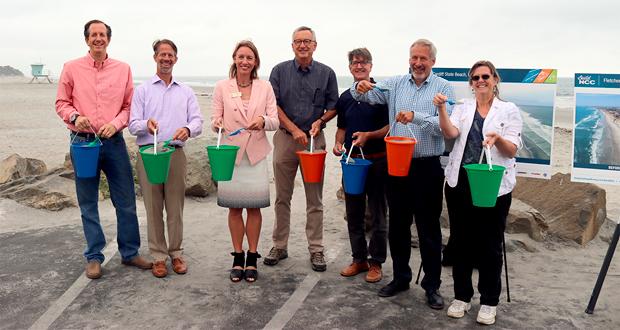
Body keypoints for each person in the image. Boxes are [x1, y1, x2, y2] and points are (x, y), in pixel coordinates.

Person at [351, 39, 454, 308]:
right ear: (409, 59)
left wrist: (416, 116)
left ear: (433, 61)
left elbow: (444, 126)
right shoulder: (395, 83)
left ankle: (432, 286)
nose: (417, 63)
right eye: (414, 58)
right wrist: (359, 86)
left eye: (423, 58)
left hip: (428, 166)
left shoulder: (443, 87)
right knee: (398, 226)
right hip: (397, 165)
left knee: (429, 229)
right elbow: (368, 94)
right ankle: (401, 278)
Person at [55, 19, 151, 279]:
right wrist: (75, 117)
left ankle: (130, 253)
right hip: (83, 143)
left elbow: (129, 106)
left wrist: (115, 123)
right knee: (88, 202)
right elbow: (61, 103)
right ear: (87, 39)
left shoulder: (123, 69)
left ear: (109, 38)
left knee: (126, 201)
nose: (98, 38)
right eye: (93, 34)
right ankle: (94, 256)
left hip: (114, 142)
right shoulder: (71, 68)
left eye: (102, 34)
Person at [435, 60, 522, 325]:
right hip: (460, 182)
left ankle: (489, 301)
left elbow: (512, 149)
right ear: (471, 83)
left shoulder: (508, 110)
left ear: (495, 79)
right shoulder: (463, 106)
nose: (480, 81)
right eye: (475, 78)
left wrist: (499, 138)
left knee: (490, 244)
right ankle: (461, 296)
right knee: (460, 241)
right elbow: (450, 133)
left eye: (485, 76)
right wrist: (441, 109)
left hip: (494, 185)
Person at [264, 26, 339, 272]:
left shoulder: (327, 73)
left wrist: (321, 121)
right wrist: (294, 129)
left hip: (314, 141)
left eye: (307, 41)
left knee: (314, 199)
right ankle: (279, 245)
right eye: (298, 41)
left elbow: (333, 106)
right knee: (282, 197)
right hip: (286, 139)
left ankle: (316, 249)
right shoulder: (279, 71)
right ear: (292, 45)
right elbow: (273, 105)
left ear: (315, 45)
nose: (303, 45)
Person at [128, 39, 203, 278]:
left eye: (170, 55)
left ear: (176, 59)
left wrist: (188, 130)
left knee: (175, 207)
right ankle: (158, 257)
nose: (166, 58)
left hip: (175, 153)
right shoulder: (142, 90)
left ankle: (176, 253)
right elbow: (132, 125)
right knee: (152, 206)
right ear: (155, 57)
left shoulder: (186, 91)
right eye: (162, 54)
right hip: (149, 154)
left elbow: (197, 121)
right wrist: (145, 125)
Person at [211, 40, 279, 282]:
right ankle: (237, 256)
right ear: (234, 59)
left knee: (254, 207)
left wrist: (262, 120)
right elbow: (214, 118)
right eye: (241, 57)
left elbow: (275, 120)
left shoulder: (265, 87)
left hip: (256, 155)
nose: (244, 61)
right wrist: (217, 124)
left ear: (255, 62)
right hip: (231, 156)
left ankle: (252, 256)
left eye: (249, 57)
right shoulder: (222, 86)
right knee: (234, 207)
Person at [333, 48, 389, 283]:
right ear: (350, 67)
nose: (359, 66)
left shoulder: (381, 93)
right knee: (353, 213)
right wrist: (337, 142)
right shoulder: (345, 96)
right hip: (352, 162)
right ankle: (359, 259)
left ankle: (376, 263)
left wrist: (369, 135)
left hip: (377, 160)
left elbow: (390, 128)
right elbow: (342, 127)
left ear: (371, 66)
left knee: (378, 213)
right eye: (355, 63)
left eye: (364, 62)